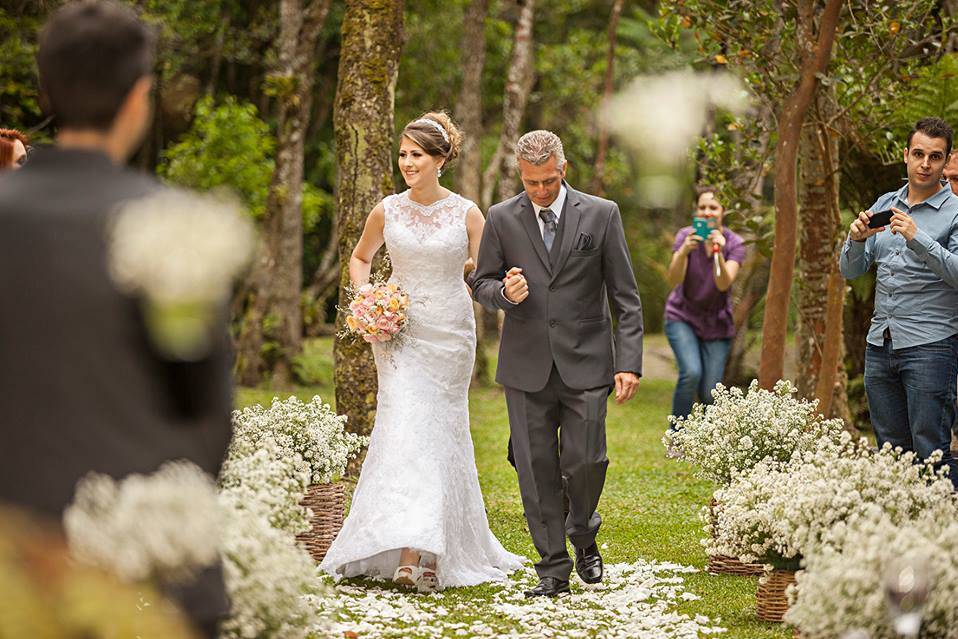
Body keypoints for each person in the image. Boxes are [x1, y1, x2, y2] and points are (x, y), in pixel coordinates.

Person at [0, 2, 233, 634]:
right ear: (140, 97)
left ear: (46, 91)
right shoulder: (173, 224)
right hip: (149, 581)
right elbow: (207, 417)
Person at [319, 112, 524, 592]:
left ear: (439, 159)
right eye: (403, 153)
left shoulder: (469, 213)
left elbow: (483, 272)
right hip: (398, 332)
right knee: (405, 426)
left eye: (416, 154)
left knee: (439, 431)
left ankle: (432, 549)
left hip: (450, 333)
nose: (407, 162)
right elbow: (360, 257)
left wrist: (495, 282)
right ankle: (410, 549)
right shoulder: (386, 210)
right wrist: (368, 298)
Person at [471, 130, 644, 598]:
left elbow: (625, 296)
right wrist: (503, 293)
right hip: (525, 366)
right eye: (531, 183)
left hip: (588, 362)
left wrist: (628, 362)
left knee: (587, 460)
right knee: (535, 467)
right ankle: (552, 570)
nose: (541, 191)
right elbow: (481, 281)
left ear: (563, 170)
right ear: (520, 177)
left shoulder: (602, 215)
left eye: (548, 180)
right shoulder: (501, 218)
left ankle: (583, 530)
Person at [839, 116, 958, 490]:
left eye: (935, 157)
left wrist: (917, 237)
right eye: (919, 154)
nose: (925, 164)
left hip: (932, 346)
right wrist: (856, 239)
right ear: (906, 155)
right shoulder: (885, 204)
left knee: (931, 451)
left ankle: (946, 537)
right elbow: (850, 272)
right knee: (891, 453)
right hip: (881, 343)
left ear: (946, 161)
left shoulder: (955, 213)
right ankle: (900, 541)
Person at [664, 185, 745, 426]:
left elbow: (723, 283)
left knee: (711, 391)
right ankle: (676, 437)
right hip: (682, 316)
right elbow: (673, 280)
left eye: (713, 207)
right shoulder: (685, 236)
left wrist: (719, 251)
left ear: (723, 211)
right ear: (696, 211)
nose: (707, 212)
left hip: (717, 323)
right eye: (702, 207)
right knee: (691, 373)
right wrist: (683, 252)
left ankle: (706, 444)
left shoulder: (735, 243)